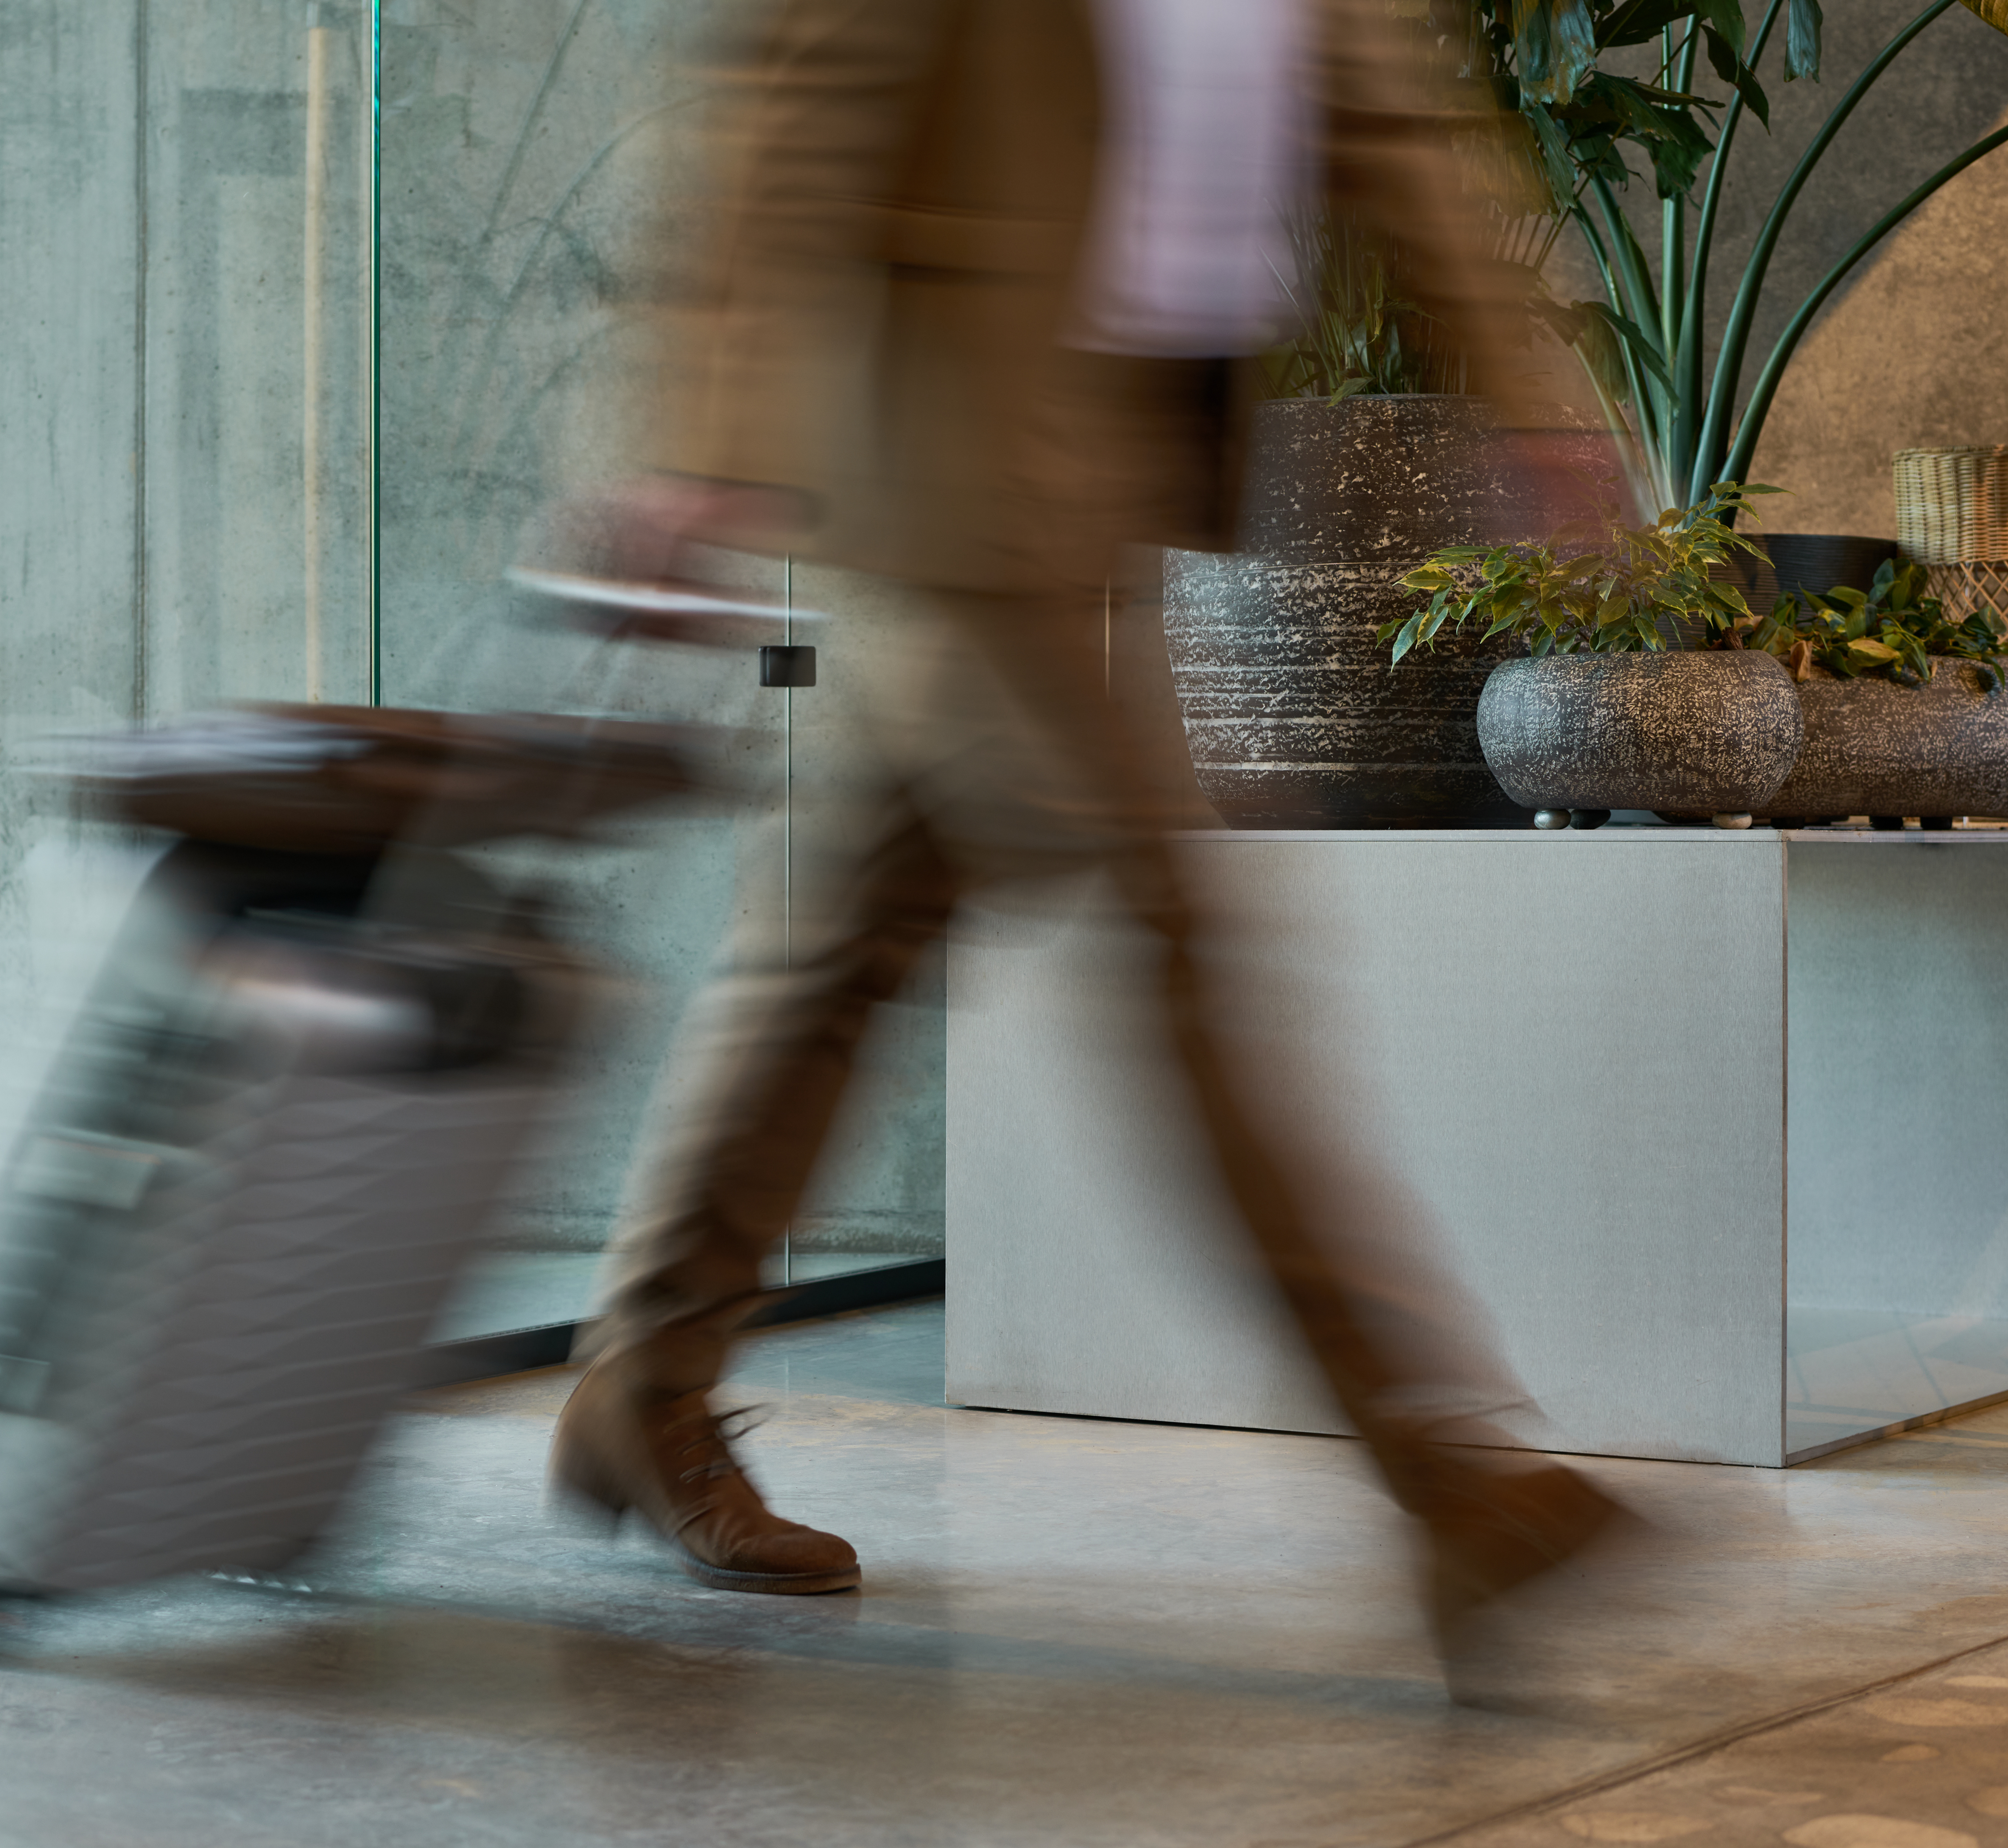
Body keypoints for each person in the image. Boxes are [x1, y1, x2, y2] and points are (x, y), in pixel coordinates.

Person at [544, 0, 1630, 1675]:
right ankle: (1445, 1481)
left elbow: (1377, 117)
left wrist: (1525, 398)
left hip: (1099, 450)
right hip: (946, 457)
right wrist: (701, 435)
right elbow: (792, 89)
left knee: (843, 943)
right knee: (1177, 932)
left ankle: (642, 1382)